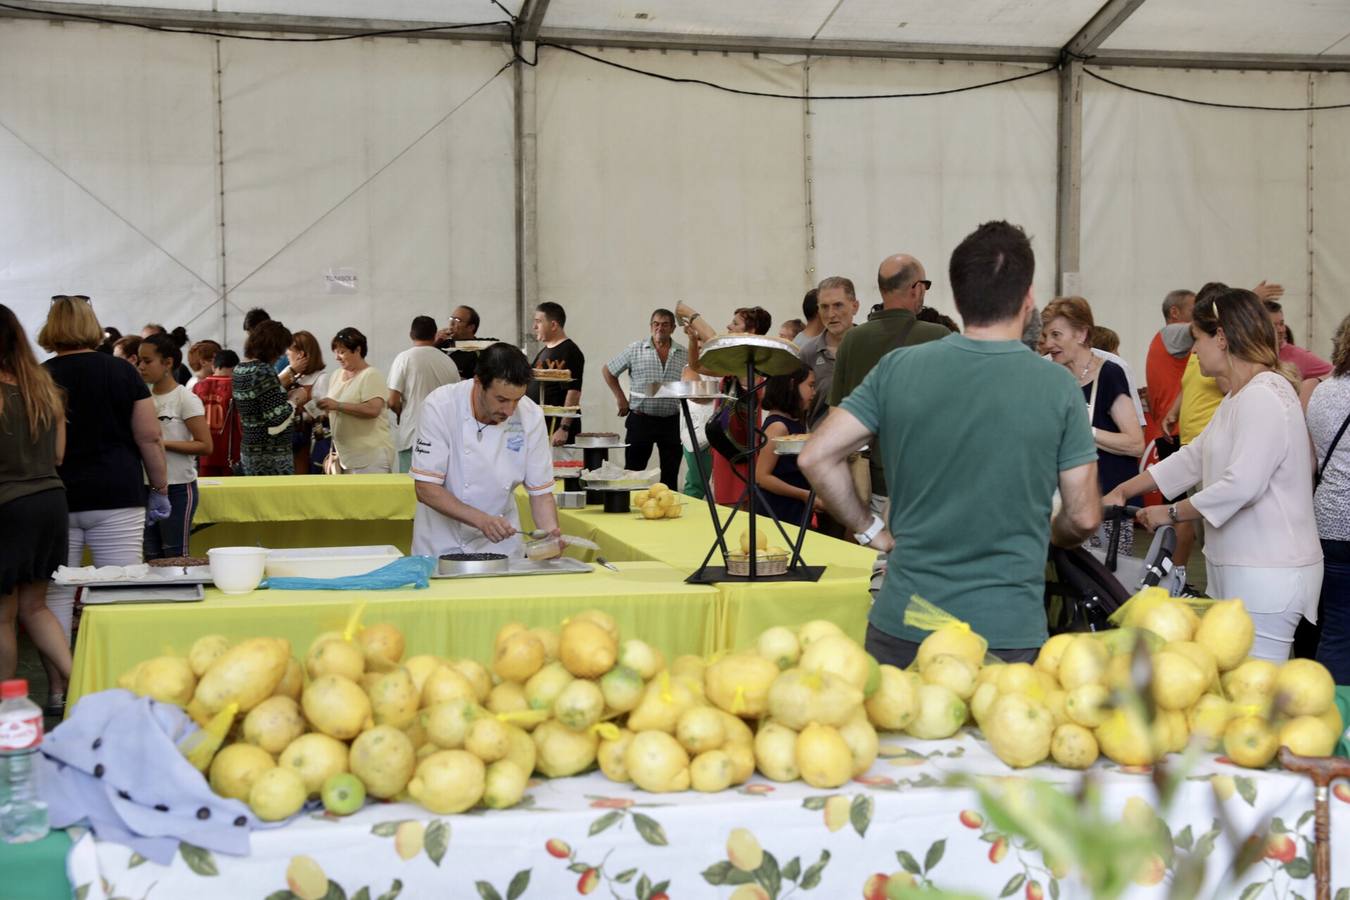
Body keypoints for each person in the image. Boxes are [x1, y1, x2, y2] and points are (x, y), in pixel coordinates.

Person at [800, 220, 1101, 668]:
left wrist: (870, 531)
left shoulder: (898, 369)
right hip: (1004, 630)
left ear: (958, 300)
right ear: (1029, 297)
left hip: (904, 621)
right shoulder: (1056, 386)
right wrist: (1049, 532)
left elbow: (816, 454)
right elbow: (1084, 515)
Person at [1105, 288, 1322, 661]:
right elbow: (1193, 458)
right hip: (1243, 568)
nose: (1193, 351)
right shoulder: (1238, 398)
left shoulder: (1264, 396)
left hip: (1269, 572)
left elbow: (1242, 485)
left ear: (1221, 338)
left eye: (1198, 339)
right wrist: (1123, 490)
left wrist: (1170, 512)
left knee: (1255, 687)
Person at [40, 296, 169, 713]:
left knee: (55, 601)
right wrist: (161, 488)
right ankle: (122, 685)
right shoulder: (121, 371)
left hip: (56, 496)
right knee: (122, 592)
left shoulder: (39, 376)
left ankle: (60, 690)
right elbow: (149, 437)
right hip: (117, 494)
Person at [410, 343, 560, 558]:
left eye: (516, 400)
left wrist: (550, 540)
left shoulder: (531, 415)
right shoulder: (440, 406)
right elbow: (425, 488)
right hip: (441, 543)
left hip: (501, 545)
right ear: (478, 383)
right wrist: (481, 520)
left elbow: (541, 493)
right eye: (501, 400)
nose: (509, 410)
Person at [830, 254, 949, 523]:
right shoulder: (938, 337)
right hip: (924, 482)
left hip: (870, 481)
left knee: (875, 561)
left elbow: (836, 415)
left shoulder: (852, 340)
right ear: (916, 288)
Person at [0, 304, 72, 685]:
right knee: (36, 607)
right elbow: (59, 455)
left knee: (3, 617)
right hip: (50, 501)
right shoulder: (45, 389)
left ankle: (5, 709)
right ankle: (82, 680)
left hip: (8, 506)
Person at [1041, 297, 1145, 555]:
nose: (1049, 343)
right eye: (1046, 335)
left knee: (1106, 584)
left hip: (1105, 506)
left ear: (1081, 334)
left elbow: (1135, 444)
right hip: (1061, 507)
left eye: (1056, 334)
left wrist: (1086, 432)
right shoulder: (1049, 375)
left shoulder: (1110, 374)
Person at [137, 334, 212, 559]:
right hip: (144, 485)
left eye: (147, 361)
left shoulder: (185, 398)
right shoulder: (142, 397)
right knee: (150, 554)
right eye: (139, 361)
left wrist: (160, 444)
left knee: (174, 555)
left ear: (168, 363)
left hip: (178, 486)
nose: (141, 366)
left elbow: (205, 445)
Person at [602, 309, 689, 489]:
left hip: (672, 422)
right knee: (633, 473)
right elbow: (608, 371)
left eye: (665, 324)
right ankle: (628, 513)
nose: (660, 328)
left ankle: (669, 511)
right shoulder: (635, 349)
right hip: (641, 420)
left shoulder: (683, 353)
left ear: (673, 328)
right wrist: (621, 398)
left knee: (670, 474)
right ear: (650, 327)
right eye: (656, 324)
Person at [1309, 314, 1350, 682]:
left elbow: (1317, 455)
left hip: (1330, 524)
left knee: (1336, 630)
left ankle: (1332, 720)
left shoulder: (1323, 390)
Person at [316, 327, 395, 474]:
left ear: (358, 350)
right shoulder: (336, 375)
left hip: (370, 457)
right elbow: (337, 408)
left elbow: (373, 410)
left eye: (342, 352)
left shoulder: (371, 375)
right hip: (346, 458)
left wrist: (337, 405)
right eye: (335, 352)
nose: (337, 357)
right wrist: (325, 411)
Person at [389, 316, 460, 472]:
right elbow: (457, 399)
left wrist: (401, 412)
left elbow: (392, 400)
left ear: (411, 334)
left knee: (409, 489)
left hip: (412, 434)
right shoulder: (448, 361)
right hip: (443, 435)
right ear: (434, 334)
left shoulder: (404, 358)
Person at [754, 365, 819, 526]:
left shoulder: (797, 421)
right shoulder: (778, 427)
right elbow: (762, 477)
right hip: (777, 511)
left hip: (793, 509)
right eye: (810, 385)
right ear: (791, 385)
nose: (814, 392)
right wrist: (804, 495)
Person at [233, 320, 295, 475]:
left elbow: (258, 404)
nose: (281, 355)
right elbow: (277, 417)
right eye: (281, 349)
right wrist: (295, 400)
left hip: (250, 448)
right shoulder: (263, 371)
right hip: (271, 454)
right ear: (273, 347)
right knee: (276, 499)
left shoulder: (240, 369)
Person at [796, 276, 859, 424]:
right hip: (822, 441)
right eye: (824, 307)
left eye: (838, 305)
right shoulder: (807, 353)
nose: (831, 314)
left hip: (867, 443)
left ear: (855, 306)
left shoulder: (871, 346)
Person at [527, 302, 584, 447]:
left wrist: (564, 428)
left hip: (557, 433)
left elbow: (574, 392)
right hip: (540, 429)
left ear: (553, 325)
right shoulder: (543, 352)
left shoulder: (570, 351)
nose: (534, 327)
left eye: (538, 322)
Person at [279, 331, 330, 475]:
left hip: (307, 442)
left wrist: (304, 412)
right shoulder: (288, 372)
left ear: (300, 354)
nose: (287, 355)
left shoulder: (321, 378)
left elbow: (325, 413)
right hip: (285, 441)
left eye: (290, 352)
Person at [1265, 299, 1333, 406]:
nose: (1281, 330)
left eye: (1282, 324)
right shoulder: (1252, 355)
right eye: (1274, 325)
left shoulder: (1300, 355)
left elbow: (1335, 373)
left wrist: (1309, 389)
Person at [193, 349, 243, 477]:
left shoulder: (198, 387)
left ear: (214, 365)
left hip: (205, 449)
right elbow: (240, 422)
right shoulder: (236, 387)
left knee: (207, 491)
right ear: (235, 367)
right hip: (229, 450)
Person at [435, 305, 495, 381]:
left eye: (457, 320)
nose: (451, 323)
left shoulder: (481, 349)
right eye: (451, 318)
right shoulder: (441, 343)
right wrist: (434, 343)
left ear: (471, 327)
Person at [243, 307, 288, 375]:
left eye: (253, 335)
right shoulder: (250, 352)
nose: (251, 340)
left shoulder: (282, 350)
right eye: (249, 335)